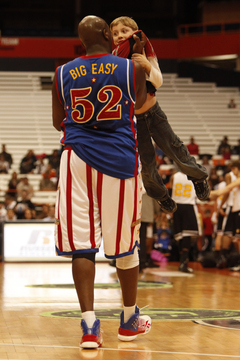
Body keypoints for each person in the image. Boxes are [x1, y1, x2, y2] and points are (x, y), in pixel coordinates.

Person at [52, 15, 151, 349]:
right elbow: (137, 105)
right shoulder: (130, 68)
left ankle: (90, 327)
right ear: (109, 34)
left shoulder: (62, 72)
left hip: (76, 159)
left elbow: (57, 121)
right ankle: (127, 320)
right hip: (119, 159)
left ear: (80, 41)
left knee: (82, 245)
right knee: (125, 242)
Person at [110, 16, 210, 213]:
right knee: (146, 164)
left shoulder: (146, 49)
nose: (120, 36)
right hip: (133, 120)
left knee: (176, 150)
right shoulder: (115, 57)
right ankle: (162, 196)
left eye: (124, 31)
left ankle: (198, 178)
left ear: (134, 32)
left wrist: (146, 65)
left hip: (153, 113)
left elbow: (158, 81)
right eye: (115, 33)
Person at [169, 170, 202, 273]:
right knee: (187, 235)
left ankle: (182, 261)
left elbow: (169, 191)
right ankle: (184, 262)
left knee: (180, 236)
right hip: (188, 206)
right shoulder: (194, 174)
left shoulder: (174, 176)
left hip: (177, 206)